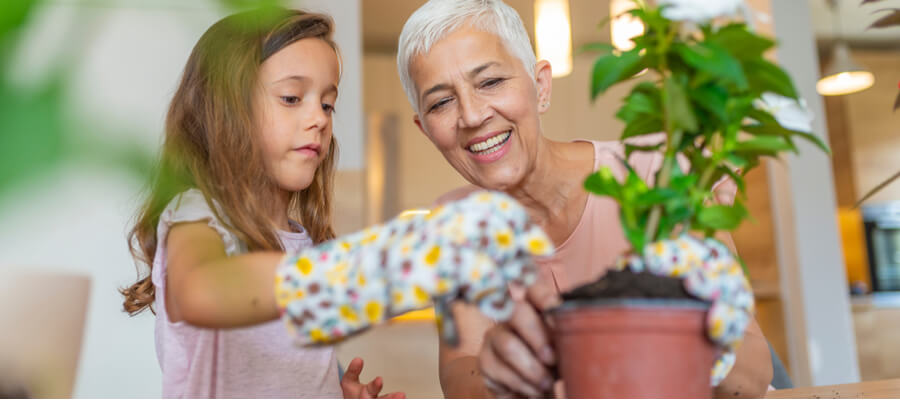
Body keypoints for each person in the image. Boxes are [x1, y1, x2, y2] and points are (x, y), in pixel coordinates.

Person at [396, 0, 774, 397]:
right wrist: (499, 374)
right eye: (441, 102)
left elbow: (751, 373)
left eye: (490, 82)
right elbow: (461, 369)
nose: (472, 116)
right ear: (425, 130)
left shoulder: (658, 175)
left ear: (540, 86)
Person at [120, 8, 402, 398]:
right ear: (225, 111)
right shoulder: (198, 216)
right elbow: (200, 291)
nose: (318, 119)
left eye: (327, 104)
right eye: (291, 97)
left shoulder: (303, 243)